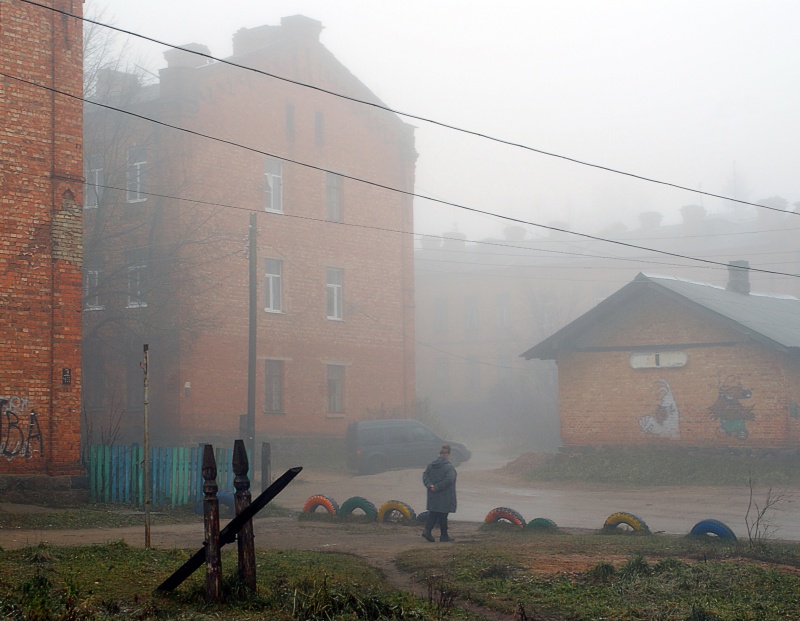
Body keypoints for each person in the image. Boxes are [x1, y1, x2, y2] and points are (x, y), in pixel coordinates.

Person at [421, 444, 457, 542]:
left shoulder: (430, 466)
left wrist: (430, 486)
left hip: (432, 495)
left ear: (439, 454)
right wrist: (436, 487)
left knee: (433, 513)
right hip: (445, 496)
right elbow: (449, 480)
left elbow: (425, 476)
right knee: (443, 515)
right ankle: (443, 536)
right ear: (448, 454)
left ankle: (428, 531)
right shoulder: (449, 467)